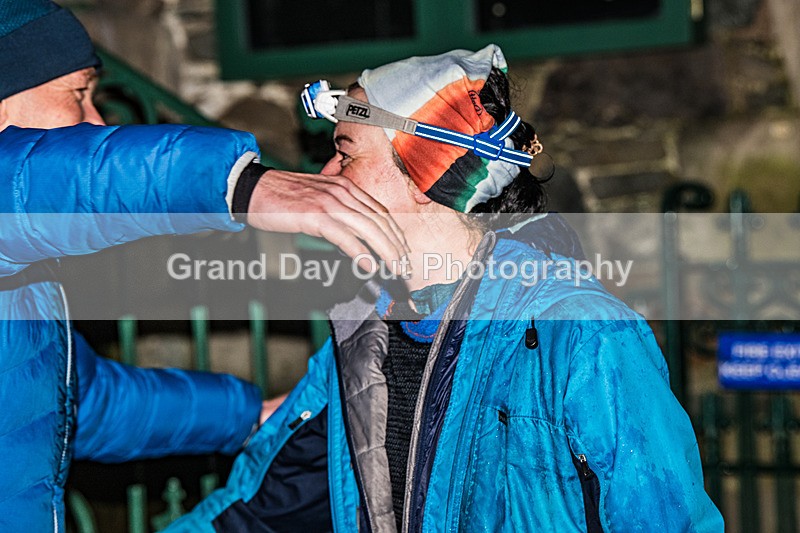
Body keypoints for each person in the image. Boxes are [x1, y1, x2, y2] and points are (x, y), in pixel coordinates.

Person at [168, 46, 724, 532]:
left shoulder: (579, 335)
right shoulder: (360, 336)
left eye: (346, 151)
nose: (324, 175)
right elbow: (260, 511)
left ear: (427, 167)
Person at [0, 1, 407, 531]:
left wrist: (247, 414)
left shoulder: (26, 279)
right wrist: (238, 185)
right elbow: (52, 178)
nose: (97, 120)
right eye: (78, 93)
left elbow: (76, 401)